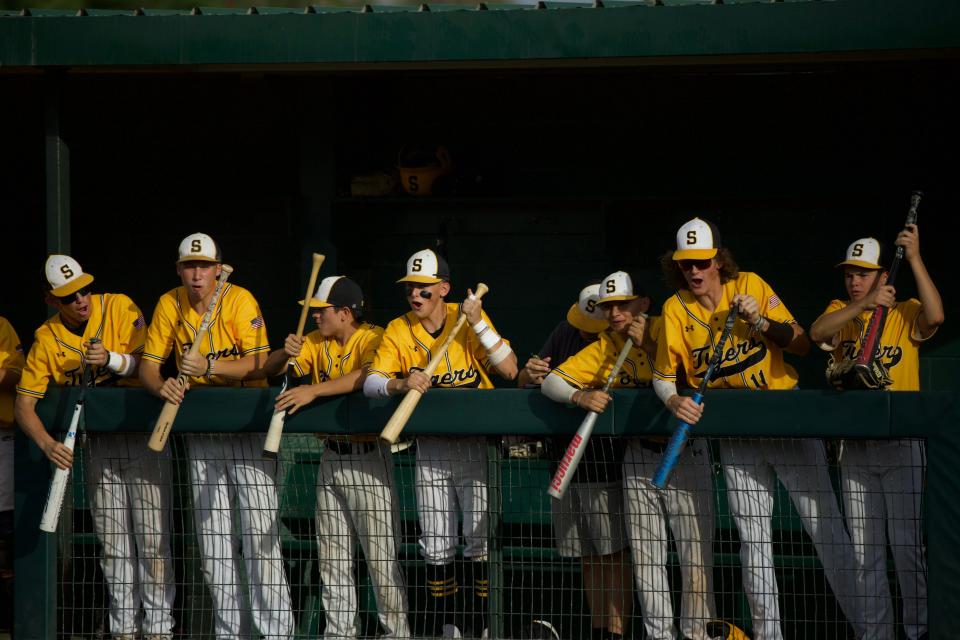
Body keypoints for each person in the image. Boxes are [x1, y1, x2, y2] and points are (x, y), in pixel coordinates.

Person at [651, 218, 865, 640]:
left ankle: (870, 630)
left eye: (702, 262)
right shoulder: (676, 307)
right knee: (754, 545)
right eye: (686, 264)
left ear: (718, 261)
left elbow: (803, 344)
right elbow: (663, 373)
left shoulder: (749, 284)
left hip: (786, 420)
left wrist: (762, 323)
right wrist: (672, 398)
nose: (694, 271)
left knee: (827, 533)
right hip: (737, 435)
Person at [543, 272, 718, 640]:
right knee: (647, 560)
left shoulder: (669, 327)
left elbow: (695, 375)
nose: (615, 313)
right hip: (638, 456)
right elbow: (552, 381)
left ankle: (697, 634)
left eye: (623, 304)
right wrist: (580, 396)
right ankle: (659, 635)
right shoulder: (606, 346)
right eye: (609, 307)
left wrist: (652, 347)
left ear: (643, 303)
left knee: (695, 558)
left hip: (686, 451)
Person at [139, 233, 293, 640]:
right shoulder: (169, 303)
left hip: (247, 426)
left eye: (204, 265)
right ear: (179, 269)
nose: (197, 273)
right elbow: (149, 366)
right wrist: (162, 387)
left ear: (216, 269)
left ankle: (276, 634)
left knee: (259, 542)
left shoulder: (239, 299)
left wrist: (209, 365)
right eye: (189, 265)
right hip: (202, 429)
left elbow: (261, 365)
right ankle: (230, 635)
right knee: (213, 549)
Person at [14, 255, 174, 640]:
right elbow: (24, 404)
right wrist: (47, 443)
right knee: (114, 541)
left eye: (84, 289)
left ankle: (159, 630)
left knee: (153, 540)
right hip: (98, 445)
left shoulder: (120, 306)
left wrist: (115, 360)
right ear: (54, 301)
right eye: (70, 296)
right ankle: (123, 629)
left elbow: (152, 366)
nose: (82, 299)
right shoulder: (47, 337)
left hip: (142, 437)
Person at [363, 248, 518, 638]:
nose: (415, 295)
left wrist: (479, 323)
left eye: (424, 289)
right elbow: (371, 382)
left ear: (444, 289)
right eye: (410, 288)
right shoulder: (399, 328)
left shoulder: (468, 319)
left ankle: (481, 628)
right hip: (430, 447)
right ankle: (448, 629)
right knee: (436, 544)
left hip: (476, 446)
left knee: (478, 543)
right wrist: (400, 383)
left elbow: (510, 368)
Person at [259, 275, 411, 639]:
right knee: (333, 559)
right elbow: (270, 369)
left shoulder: (373, 336)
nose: (314, 317)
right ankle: (339, 634)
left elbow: (365, 376)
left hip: (369, 458)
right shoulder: (315, 341)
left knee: (381, 561)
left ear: (344, 313)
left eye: (320, 310)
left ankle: (397, 634)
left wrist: (313, 391)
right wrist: (286, 353)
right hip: (331, 457)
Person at [810, 229, 942, 640]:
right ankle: (876, 635)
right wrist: (865, 303)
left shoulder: (904, 311)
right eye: (850, 274)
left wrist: (915, 259)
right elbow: (817, 333)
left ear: (883, 276)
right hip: (856, 448)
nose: (854, 281)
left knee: (906, 550)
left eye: (864, 274)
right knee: (866, 554)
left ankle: (918, 632)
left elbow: (936, 317)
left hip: (901, 444)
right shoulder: (842, 312)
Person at [523, 282, 636, 640]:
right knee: (585, 554)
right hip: (564, 458)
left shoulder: (617, 344)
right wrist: (532, 372)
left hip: (604, 460)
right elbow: (530, 379)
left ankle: (616, 632)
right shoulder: (565, 332)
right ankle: (598, 628)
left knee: (612, 553)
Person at [0, 316, 24, 632]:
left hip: (2, 434)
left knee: (6, 531)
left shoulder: (2, 325)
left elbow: (22, 376)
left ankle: (10, 619)